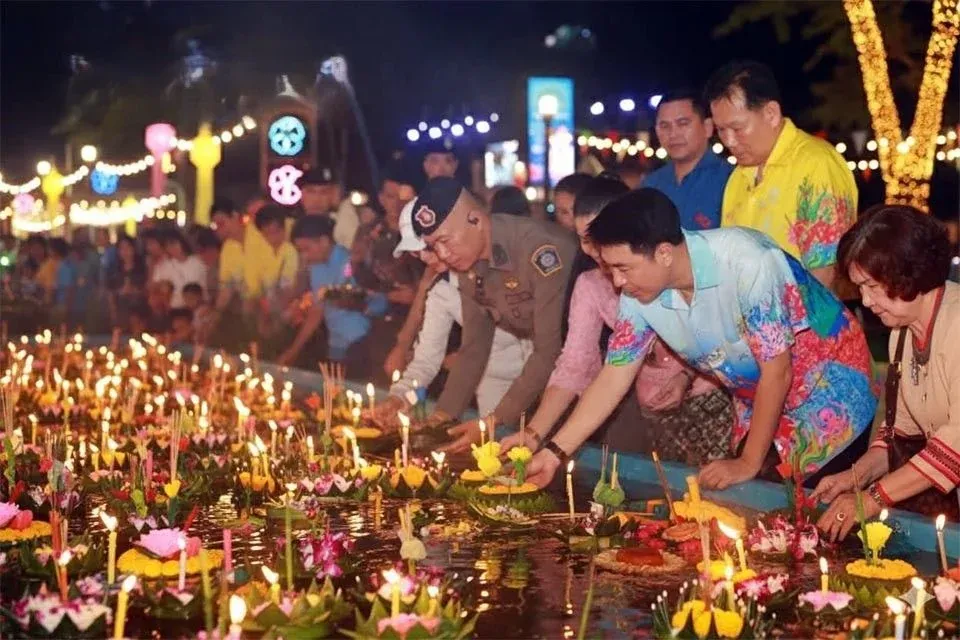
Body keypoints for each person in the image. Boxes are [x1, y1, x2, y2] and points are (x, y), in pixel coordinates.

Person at [522, 188, 877, 491]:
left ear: (663, 252)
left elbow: (778, 371)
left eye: (623, 268)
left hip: (829, 393)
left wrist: (749, 461)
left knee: (808, 517)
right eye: (609, 269)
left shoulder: (749, 262)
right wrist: (555, 453)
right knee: (763, 511)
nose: (616, 282)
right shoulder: (638, 293)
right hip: (760, 401)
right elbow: (615, 375)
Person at [500, 176, 730, 465]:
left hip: (710, 397)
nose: (598, 252)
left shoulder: (659, 272)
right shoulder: (592, 286)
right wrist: (534, 434)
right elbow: (576, 365)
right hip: (650, 407)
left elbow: (717, 337)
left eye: (603, 238)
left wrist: (687, 375)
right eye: (586, 240)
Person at [813, 205, 960, 535]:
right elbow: (902, 430)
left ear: (908, 273)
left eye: (872, 286)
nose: (865, 301)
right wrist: (857, 476)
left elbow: (956, 443)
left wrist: (871, 498)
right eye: (859, 288)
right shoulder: (902, 333)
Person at [407, 177, 577, 452]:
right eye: (432, 245)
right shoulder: (468, 263)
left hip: (604, 369)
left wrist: (493, 421)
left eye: (444, 241)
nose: (442, 254)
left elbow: (550, 350)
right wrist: (441, 419)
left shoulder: (538, 250)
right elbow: (474, 347)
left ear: (476, 219)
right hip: (557, 376)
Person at [369, 191, 534, 423]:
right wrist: (399, 398)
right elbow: (426, 361)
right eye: (417, 253)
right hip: (491, 383)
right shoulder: (442, 290)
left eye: (428, 248)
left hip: (542, 383)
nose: (425, 258)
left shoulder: (504, 265)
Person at [706, 60, 857, 290]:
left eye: (737, 128)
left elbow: (825, 273)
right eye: (721, 130)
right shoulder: (738, 178)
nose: (728, 141)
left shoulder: (815, 164)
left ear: (771, 114)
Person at [380, 139, 463, 377]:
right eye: (434, 160)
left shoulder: (465, 206)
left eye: (447, 161)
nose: (441, 167)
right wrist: (404, 343)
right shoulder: (414, 206)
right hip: (420, 309)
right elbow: (424, 280)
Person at [284, 215, 387, 369]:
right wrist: (292, 351)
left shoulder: (351, 262)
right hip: (336, 345)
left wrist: (354, 303)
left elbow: (379, 302)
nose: (304, 256)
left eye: (306, 249)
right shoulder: (316, 267)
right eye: (300, 251)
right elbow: (316, 312)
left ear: (324, 241)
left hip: (361, 343)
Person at [644, 88, 731, 230]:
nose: (673, 134)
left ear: (708, 127)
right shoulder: (651, 185)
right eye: (664, 126)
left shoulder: (730, 181)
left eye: (683, 123)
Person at [299, 167, 360, 249]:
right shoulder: (289, 225)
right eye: (311, 191)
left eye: (324, 192)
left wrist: (342, 204)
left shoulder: (342, 223)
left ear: (334, 195)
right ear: (302, 194)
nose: (317, 199)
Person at [152, 230, 206, 308]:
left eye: (173, 243)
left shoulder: (197, 262)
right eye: (168, 246)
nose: (172, 248)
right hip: (174, 309)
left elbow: (204, 289)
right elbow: (156, 288)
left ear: (181, 242)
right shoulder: (164, 266)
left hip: (196, 308)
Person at [107, 234, 148, 332]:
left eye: (128, 247)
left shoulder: (142, 269)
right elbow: (110, 293)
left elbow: (147, 290)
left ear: (134, 249)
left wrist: (134, 291)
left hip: (139, 313)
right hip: (121, 312)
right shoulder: (114, 271)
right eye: (122, 248)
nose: (125, 251)